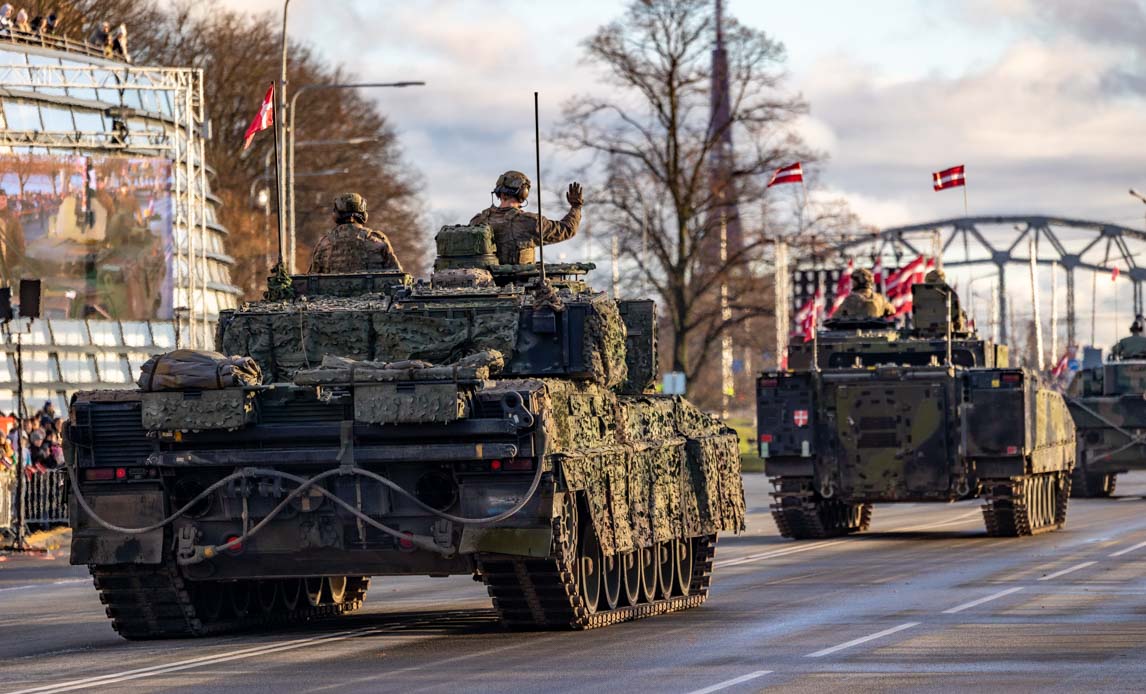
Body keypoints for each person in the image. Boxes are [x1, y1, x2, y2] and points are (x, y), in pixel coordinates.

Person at [469, 171, 582, 265]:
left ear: (500, 194)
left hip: (482, 285)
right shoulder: (530, 222)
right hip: (521, 286)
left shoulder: (478, 221)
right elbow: (568, 229)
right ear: (523, 193)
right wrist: (576, 207)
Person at [309, 193, 403, 274]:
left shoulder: (324, 243)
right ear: (363, 214)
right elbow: (397, 276)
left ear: (336, 214)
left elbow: (312, 278)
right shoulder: (377, 240)